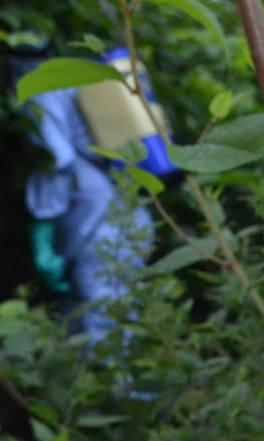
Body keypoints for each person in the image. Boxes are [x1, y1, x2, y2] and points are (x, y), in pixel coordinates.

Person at [11, 45, 157, 346]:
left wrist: (42, 235)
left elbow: (55, 159)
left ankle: (120, 394)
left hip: (105, 229)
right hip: (117, 220)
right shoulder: (68, 79)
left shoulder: (39, 87)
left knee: (106, 333)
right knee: (80, 326)